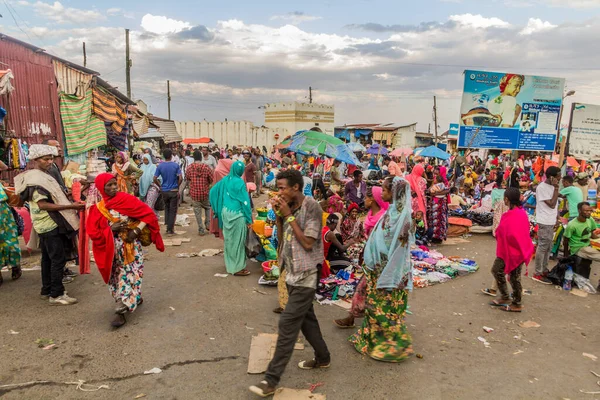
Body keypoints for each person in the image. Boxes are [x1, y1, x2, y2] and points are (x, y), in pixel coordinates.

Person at [250, 169, 330, 397]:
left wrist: (289, 215)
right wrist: (279, 214)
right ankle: (323, 357)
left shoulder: (311, 206)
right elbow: (284, 236)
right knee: (307, 321)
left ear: (296, 187)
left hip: (307, 275)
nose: (280, 191)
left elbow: (307, 242)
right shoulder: (290, 207)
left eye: (283, 187)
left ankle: (271, 380)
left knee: (287, 324)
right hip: (292, 273)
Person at [87, 173, 164, 327]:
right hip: (112, 250)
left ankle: (121, 310)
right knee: (116, 275)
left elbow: (148, 215)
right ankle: (133, 297)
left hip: (131, 246)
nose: (113, 187)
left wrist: (136, 231)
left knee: (131, 274)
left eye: (115, 184)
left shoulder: (127, 199)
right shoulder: (98, 209)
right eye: (109, 185)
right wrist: (110, 229)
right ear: (102, 188)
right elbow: (93, 233)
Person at [350, 176, 413, 362]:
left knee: (384, 309)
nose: (381, 193)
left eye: (384, 190)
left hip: (388, 271)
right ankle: (373, 342)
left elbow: (398, 249)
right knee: (375, 307)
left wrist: (386, 271)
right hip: (378, 270)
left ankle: (394, 347)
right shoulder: (391, 212)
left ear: (392, 193)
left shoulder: (402, 217)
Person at [14, 144, 84, 305]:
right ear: (35, 160)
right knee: (57, 259)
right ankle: (57, 294)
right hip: (49, 224)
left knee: (47, 258)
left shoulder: (41, 175)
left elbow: (52, 196)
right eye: (46, 159)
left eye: (51, 158)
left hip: (43, 225)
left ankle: (47, 290)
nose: (50, 162)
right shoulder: (36, 179)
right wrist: (71, 206)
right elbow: (43, 205)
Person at [334, 186, 389, 329]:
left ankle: (361, 320)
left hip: (378, 260)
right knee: (362, 290)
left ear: (372, 200)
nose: (363, 200)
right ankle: (353, 318)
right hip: (370, 257)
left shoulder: (382, 218)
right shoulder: (371, 216)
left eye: (366, 197)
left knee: (364, 290)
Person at [489, 187, 534, 312]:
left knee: (514, 277)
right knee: (497, 270)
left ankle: (517, 303)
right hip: (507, 250)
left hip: (516, 251)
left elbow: (513, 234)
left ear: (507, 199)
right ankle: (505, 296)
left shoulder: (517, 214)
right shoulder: (517, 213)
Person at [209, 160, 252, 276]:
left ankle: (230, 265)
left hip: (225, 213)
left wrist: (215, 206)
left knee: (229, 240)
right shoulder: (240, 182)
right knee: (238, 241)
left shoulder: (225, 180)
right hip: (237, 215)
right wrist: (249, 219)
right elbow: (245, 202)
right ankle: (237, 268)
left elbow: (212, 191)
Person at [533, 166, 561, 285]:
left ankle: (544, 269)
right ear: (551, 177)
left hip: (550, 220)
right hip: (544, 221)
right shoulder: (542, 187)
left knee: (548, 247)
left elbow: (556, 204)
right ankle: (537, 273)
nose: (560, 178)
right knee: (543, 246)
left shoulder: (551, 187)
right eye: (558, 176)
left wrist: (557, 217)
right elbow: (551, 204)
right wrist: (556, 189)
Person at [153, 149, 182, 235]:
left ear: (163, 156)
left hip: (164, 190)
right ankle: (170, 229)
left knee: (167, 208)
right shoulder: (175, 165)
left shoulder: (160, 166)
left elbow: (154, 178)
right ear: (171, 155)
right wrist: (177, 186)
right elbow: (180, 178)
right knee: (173, 210)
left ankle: (167, 226)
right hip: (173, 190)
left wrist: (160, 186)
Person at [563, 202, 600, 267]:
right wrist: (566, 256)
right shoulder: (572, 225)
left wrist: (598, 240)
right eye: (586, 211)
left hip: (588, 245)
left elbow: (592, 234)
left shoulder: (590, 219)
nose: (589, 212)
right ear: (580, 211)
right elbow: (565, 240)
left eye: (590, 210)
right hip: (578, 248)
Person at [186, 150, 214, 235]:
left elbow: (188, 178)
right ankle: (208, 224)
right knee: (208, 208)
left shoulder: (190, 168)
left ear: (194, 158)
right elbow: (211, 179)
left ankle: (201, 229)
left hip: (194, 194)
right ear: (201, 157)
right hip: (205, 193)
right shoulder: (206, 167)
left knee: (197, 211)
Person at [0, 182, 22, 286]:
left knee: (10, 241)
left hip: (3, 211)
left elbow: (4, 167)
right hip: (4, 210)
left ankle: (15, 266)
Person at [209, 159, 234, 239]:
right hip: (233, 205)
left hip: (221, 202)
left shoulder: (217, 172)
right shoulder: (235, 176)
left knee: (223, 224)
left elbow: (213, 192)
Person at [428, 174, 450, 243]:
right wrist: (440, 193)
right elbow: (447, 191)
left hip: (436, 205)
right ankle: (439, 237)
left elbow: (431, 193)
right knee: (440, 221)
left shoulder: (434, 187)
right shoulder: (444, 186)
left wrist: (436, 193)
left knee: (435, 221)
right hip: (441, 205)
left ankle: (436, 237)